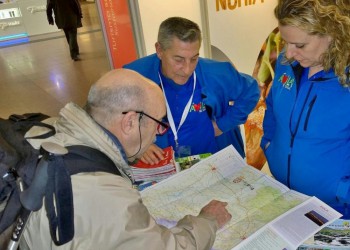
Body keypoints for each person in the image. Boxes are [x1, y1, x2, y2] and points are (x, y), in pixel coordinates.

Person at [19, 69, 232, 249]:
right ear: (130, 122)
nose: (158, 133)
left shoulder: (45, 127)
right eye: (157, 122)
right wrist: (208, 221)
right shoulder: (105, 195)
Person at [124, 17, 260, 164]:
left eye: (194, 58)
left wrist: (223, 124)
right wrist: (138, 144)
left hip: (216, 159)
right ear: (159, 50)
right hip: (165, 164)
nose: (187, 69)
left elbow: (251, 91)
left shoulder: (216, 73)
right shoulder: (133, 76)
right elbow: (115, 116)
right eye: (179, 60)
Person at [261, 0, 350, 218]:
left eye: (299, 45)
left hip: (335, 209)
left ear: (332, 34)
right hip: (284, 195)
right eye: (285, 42)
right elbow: (272, 105)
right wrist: (269, 146)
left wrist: (342, 190)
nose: (289, 54)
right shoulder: (286, 62)